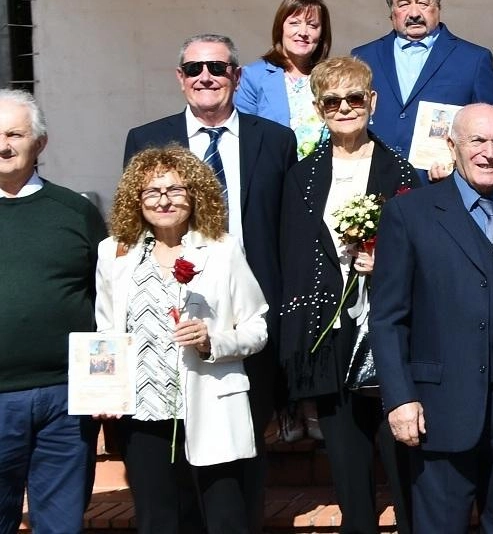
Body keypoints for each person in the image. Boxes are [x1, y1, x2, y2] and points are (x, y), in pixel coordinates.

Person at [368, 103, 493, 533]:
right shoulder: (410, 214)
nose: (489, 152)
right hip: (439, 409)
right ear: (452, 145)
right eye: (477, 140)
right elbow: (387, 318)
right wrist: (400, 399)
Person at [124, 33, 296, 532]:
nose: (206, 77)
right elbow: (133, 227)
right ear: (180, 78)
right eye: (195, 68)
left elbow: (285, 232)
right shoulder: (146, 139)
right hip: (166, 328)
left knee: (240, 459)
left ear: (236, 78)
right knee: (165, 471)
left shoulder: (275, 140)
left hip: (247, 318)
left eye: (218, 69)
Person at [277, 56, 420, 534]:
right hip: (329, 335)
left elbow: (424, 256)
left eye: (354, 98)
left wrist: (386, 264)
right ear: (319, 109)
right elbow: (293, 260)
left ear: (372, 102)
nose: (344, 108)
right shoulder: (300, 177)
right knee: (348, 470)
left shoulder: (401, 173)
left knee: (403, 465)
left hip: (387, 334)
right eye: (332, 101)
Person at [96, 146, 268, 534]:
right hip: (143, 413)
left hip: (210, 405)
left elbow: (257, 327)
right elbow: (105, 331)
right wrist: (104, 392)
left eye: (175, 190)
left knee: (224, 520)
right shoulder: (114, 254)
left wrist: (212, 341)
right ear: (136, 200)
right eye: (152, 192)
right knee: (158, 521)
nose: (164, 200)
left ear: (195, 194)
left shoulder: (222, 249)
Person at [0, 89, 106, 534]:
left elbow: (106, 297)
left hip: (66, 400)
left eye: (14, 133)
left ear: (40, 143)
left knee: (62, 525)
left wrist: (104, 387)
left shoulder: (76, 211)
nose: (3, 144)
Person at [351, 0, 493, 182]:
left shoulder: (473, 60)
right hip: (373, 188)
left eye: (423, 2)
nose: (414, 13)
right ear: (391, 12)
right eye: (403, 3)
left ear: (438, 8)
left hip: (441, 190)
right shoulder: (362, 57)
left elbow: (492, 132)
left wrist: (457, 169)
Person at [235, 0, 333, 158]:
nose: (303, 32)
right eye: (294, 23)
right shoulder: (253, 76)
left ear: (322, 34)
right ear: (280, 27)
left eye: (312, 25)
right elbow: (242, 136)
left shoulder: (331, 77)